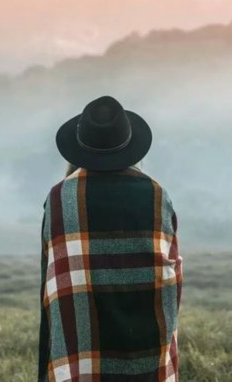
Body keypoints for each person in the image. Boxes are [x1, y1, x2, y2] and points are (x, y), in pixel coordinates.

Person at [38, 96, 182, 381]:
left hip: (81, 350)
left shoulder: (59, 198)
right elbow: (171, 270)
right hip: (146, 349)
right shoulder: (156, 195)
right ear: (131, 147)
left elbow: (51, 277)